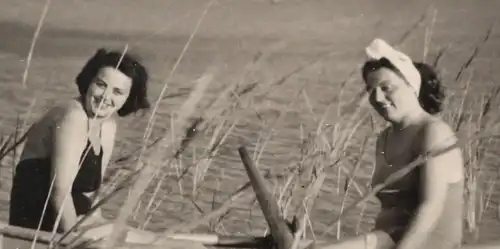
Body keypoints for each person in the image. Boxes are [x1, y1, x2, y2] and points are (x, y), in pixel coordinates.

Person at [8, 48, 165, 244]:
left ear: (128, 97)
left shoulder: (107, 126)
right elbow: (59, 194)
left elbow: (91, 196)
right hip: (41, 229)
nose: (105, 97)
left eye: (117, 92)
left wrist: (103, 226)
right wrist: (75, 242)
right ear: (89, 81)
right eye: (101, 84)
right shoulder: (72, 116)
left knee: (159, 240)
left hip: (75, 225)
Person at [319, 39, 465, 249]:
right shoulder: (384, 138)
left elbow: (431, 206)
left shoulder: (433, 132)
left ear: (411, 85)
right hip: (387, 239)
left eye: (386, 88)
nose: (377, 97)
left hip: (427, 243)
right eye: (371, 90)